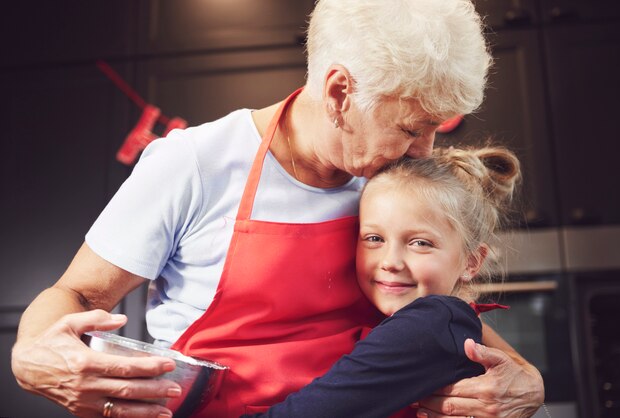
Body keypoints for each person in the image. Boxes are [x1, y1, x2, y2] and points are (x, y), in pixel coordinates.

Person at [11, 1, 544, 417]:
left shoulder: (395, 180)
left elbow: (436, 312)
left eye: (435, 129)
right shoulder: (197, 163)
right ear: (340, 91)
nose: (425, 151)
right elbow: (76, 293)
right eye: (411, 127)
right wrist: (33, 351)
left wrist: (525, 376)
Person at [242, 145, 521, 418]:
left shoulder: (429, 325)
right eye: (374, 239)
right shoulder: (430, 320)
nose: (390, 261)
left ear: (471, 262)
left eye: (420, 243)